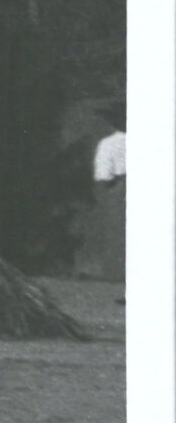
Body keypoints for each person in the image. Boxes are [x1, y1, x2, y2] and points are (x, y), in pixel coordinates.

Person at [91, 105, 126, 292]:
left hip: (120, 187)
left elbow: (103, 174)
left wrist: (103, 192)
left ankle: (117, 274)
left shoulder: (108, 143)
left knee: (116, 228)